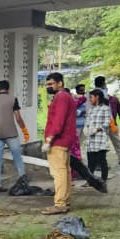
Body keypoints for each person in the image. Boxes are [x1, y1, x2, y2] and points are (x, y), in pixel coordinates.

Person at [41, 72, 78, 214]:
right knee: (65, 171)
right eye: (47, 84)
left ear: (60, 83)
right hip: (65, 139)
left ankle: (60, 203)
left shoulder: (61, 97)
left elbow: (58, 120)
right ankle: (64, 200)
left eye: (51, 84)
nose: (48, 87)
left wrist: (49, 138)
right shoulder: (66, 96)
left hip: (58, 140)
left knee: (58, 172)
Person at [0, 80, 30, 190]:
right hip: (11, 133)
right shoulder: (13, 99)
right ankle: (23, 179)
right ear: (8, 88)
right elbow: (18, 118)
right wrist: (24, 130)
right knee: (17, 157)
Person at [93, 75, 120, 165]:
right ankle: (101, 162)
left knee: (113, 141)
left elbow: (118, 110)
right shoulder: (98, 95)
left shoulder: (110, 98)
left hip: (107, 122)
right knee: (107, 142)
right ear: (103, 84)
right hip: (105, 122)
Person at [82, 89, 112, 184]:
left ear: (97, 97)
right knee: (91, 162)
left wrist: (97, 129)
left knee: (102, 160)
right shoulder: (91, 109)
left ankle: (103, 180)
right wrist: (86, 129)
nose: (90, 100)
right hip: (90, 140)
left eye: (91, 97)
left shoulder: (105, 108)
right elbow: (87, 121)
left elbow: (108, 122)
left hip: (100, 139)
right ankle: (90, 180)